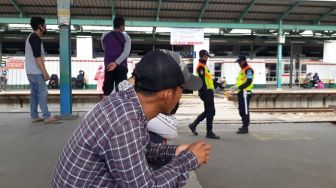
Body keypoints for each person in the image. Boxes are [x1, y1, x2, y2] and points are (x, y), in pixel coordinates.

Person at [51, 49, 211, 187]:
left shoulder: (126, 103)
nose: (181, 95)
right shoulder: (126, 119)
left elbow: (142, 148)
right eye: (182, 89)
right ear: (168, 95)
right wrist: (189, 159)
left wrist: (174, 151)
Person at [25, 17, 61, 124]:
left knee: (34, 94)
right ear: (40, 26)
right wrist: (44, 72)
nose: (45, 27)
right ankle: (47, 116)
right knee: (42, 93)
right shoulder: (35, 38)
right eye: (44, 25)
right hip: (36, 72)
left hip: (30, 71)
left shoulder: (30, 37)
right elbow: (37, 57)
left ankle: (34, 116)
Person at [188, 50, 220, 139]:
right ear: (203, 56)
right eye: (206, 56)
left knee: (209, 111)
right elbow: (202, 81)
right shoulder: (200, 67)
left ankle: (193, 125)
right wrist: (204, 92)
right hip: (206, 92)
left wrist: (217, 84)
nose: (207, 58)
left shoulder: (205, 66)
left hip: (209, 91)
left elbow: (209, 79)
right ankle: (209, 132)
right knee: (210, 111)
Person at [101, 16, 131, 97]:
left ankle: (106, 108)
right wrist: (116, 63)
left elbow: (105, 48)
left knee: (107, 90)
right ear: (121, 26)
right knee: (121, 91)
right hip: (121, 66)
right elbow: (126, 53)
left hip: (109, 65)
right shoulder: (126, 37)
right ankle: (120, 109)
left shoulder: (104, 35)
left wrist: (113, 61)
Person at [231, 55, 254, 134]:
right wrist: (236, 87)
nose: (239, 64)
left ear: (244, 61)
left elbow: (249, 81)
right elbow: (241, 81)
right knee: (241, 110)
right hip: (241, 92)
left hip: (246, 93)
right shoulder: (242, 70)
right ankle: (244, 125)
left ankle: (245, 127)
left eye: (239, 62)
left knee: (245, 110)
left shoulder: (248, 70)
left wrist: (239, 87)